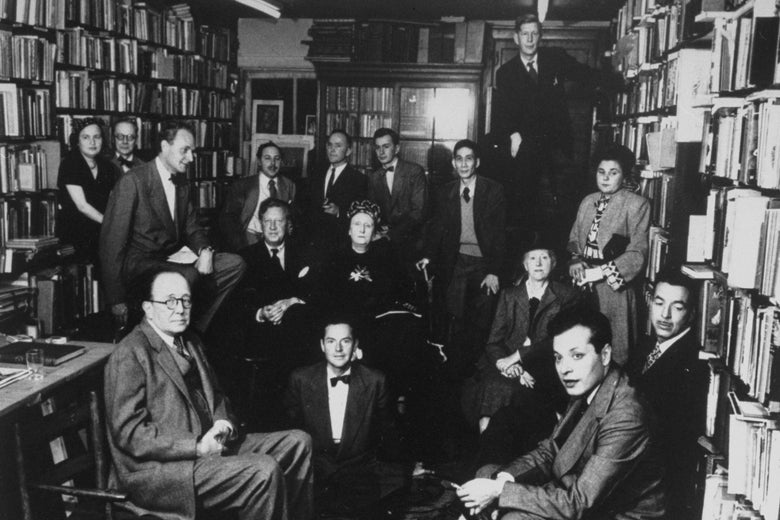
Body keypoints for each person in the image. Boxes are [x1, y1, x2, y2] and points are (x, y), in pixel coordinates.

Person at [103, 270, 313, 520]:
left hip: (210, 447)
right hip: (162, 471)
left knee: (299, 443)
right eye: (169, 301)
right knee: (262, 471)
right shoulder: (130, 353)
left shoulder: (191, 341)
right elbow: (130, 435)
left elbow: (218, 395)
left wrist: (223, 423)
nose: (180, 309)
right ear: (148, 308)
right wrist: (197, 446)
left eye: (185, 300)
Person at [457, 305, 665, 520]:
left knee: (513, 517)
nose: (565, 369)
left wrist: (501, 493)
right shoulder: (587, 385)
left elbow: (579, 503)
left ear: (604, 354)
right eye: (558, 357)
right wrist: (502, 481)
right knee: (487, 475)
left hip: (615, 514)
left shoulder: (627, 415)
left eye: (576, 356)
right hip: (574, 488)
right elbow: (551, 449)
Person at [99, 120, 246, 333]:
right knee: (189, 276)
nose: (191, 158)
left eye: (192, 151)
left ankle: (194, 329)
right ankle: (184, 334)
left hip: (172, 260)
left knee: (234, 263)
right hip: (140, 267)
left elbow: (193, 228)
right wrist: (116, 299)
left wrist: (205, 251)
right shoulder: (133, 181)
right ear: (165, 147)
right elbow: (111, 244)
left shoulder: (182, 183)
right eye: (185, 150)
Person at [284, 318, 403, 514]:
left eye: (345, 341)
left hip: (360, 470)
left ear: (355, 345)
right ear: (322, 345)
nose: (338, 348)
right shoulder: (300, 379)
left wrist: (403, 467)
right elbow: (290, 431)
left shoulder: (375, 380)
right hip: (316, 468)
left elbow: (388, 432)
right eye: (331, 341)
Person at [465, 242, 577, 439]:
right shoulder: (509, 295)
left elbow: (559, 341)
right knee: (493, 387)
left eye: (544, 257)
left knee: (527, 396)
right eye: (532, 259)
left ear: (553, 263)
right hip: (506, 365)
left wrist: (522, 361)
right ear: (525, 266)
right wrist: (505, 365)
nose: (538, 263)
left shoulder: (565, 296)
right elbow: (493, 342)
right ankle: (488, 452)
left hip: (545, 365)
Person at [417, 139, 506, 373]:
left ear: (477, 162)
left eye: (469, 159)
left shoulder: (493, 190)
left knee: (482, 315)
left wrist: (494, 271)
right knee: (452, 312)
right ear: (453, 163)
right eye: (459, 159)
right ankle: (452, 365)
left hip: (484, 262)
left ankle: (476, 364)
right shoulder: (445, 191)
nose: (463, 164)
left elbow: (499, 235)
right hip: (456, 260)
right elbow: (436, 227)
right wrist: (428, 256)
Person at [627, 269, 709, 520]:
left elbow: (669, 441)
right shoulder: (645, 345)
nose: (664, 315)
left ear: (692, 313)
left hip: (654, 488)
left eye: (677, 307)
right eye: (659, 303)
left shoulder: (694, 365)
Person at [320, 200, 423, 397]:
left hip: (378, 324)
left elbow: (399, 291)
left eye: (368, 226)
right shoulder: (335, 258)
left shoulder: (385, 258)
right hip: (345, 322)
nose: (362, 230)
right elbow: (328, 299)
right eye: (357, 224)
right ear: (349, 230)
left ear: (374, 232)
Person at [567, 144, 649, 365]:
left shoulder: (636, 204)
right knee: (584, 346)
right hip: (584, 286)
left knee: (616, 350)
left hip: (615, 288)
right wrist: (576, 259)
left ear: (624, 176)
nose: (606, 178)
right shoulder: (587, 201)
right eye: (601, 172)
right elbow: (574, 236)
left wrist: (598, 273)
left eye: (613, 173)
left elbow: (637, 253)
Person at [240, 198, 321, 366]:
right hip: (263, 333)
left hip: (299, 331)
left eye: (278, 221)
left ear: (288, 223)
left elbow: (316, 290)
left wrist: (292, 302)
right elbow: (240, 304)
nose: (272, 227)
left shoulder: (305, 251)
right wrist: (261, 313)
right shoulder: (245, 258)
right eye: (267, 221)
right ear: (260, 224)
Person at [56, 118, 118, 263]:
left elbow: (112, 201)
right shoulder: (70, 163)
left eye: (97, 137)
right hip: (75, 232)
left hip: (101, 231)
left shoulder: (107, 167)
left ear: (103, 140)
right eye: (86, 137)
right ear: (77, 141)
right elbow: (82, 206)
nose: (92, 142)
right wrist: (111, 225)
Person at [219, 141, 297, 253]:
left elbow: (292, 218)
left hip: (278, 240)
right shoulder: (243, 185)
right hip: (249, 239)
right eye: (267, 158)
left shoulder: (289, 185)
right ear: (259, 161)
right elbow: (229, 219)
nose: (273, 163)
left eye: (277, 159)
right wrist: (241, 246)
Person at [367, 128, 428, 258]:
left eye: (386, 146)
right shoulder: (374, 177)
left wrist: (390, 234)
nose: (381, 152)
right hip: (384, 244)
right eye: (377, 147)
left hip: (411, 243)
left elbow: (419, 212)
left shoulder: (414, 171)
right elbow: (374, 210)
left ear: (397, 149)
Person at [307, 129, 367, 251]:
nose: (332, 150)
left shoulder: (359, 179)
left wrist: (339, 212)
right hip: (314, 241)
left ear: (348, 151)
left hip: (341, 243)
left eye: (338, 146)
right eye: (329, 145)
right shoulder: (316, 173)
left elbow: (361, 215)